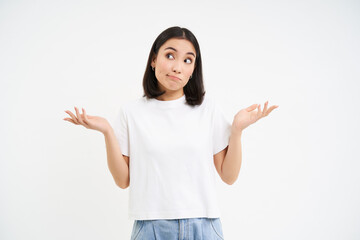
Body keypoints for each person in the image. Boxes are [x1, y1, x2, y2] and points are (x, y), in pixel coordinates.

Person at [63, 26, 278, 240]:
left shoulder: (208, 110)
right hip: (151, 228)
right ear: (154, 60)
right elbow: (122, 180)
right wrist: (107, 131)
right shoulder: (132, 113)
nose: (177, 67)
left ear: (193, 69)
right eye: (170, 55)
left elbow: (229, 176)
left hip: (203, 227)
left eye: (187, 60)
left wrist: (237, 130)